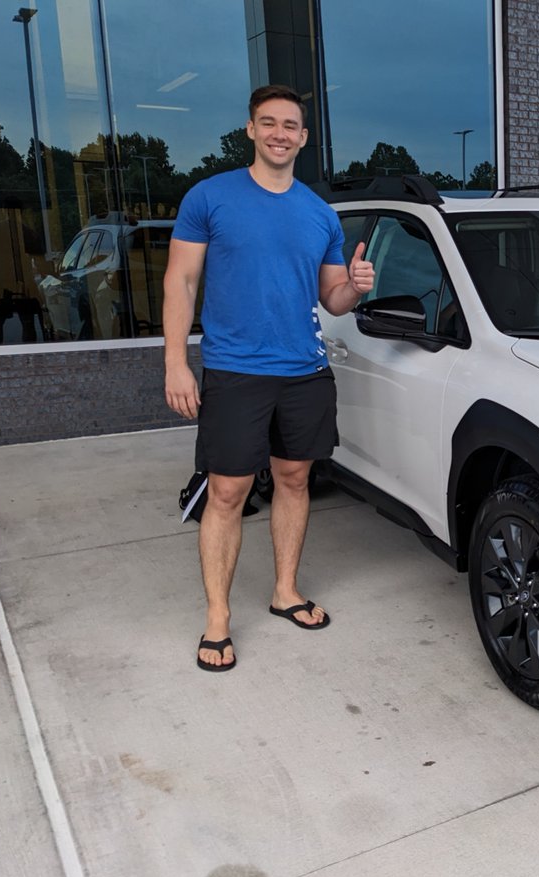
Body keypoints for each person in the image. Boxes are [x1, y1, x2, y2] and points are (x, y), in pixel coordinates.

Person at [163, 84, 375, 672]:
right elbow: (180, 283)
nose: (281, 132)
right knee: (227, 492)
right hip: (235, 371)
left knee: (295, 480)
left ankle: (285, 590)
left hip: (305, 372)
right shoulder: (210, 197)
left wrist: (355, 287)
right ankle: (217, 619)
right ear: (251, 129)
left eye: (291, 125)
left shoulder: (317, 212)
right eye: (269, 122)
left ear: (304, 138)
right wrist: (176, 362)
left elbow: (332, 299)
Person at [0, 196, 47, 344]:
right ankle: (30, 355)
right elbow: (41, 264)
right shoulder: (28, 233)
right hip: (24, 286)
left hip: (0, 285)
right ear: (21, 212)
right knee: (28, 324)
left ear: (3, 210)